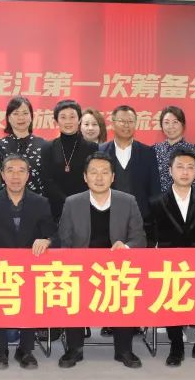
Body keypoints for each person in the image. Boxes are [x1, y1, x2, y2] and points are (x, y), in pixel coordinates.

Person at [56, 153, 147, 369]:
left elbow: (140, 238)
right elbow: (64, 240)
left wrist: (125, 247)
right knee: (71, 289)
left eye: (105, 172)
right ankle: (74, 349)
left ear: (113, 177)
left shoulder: (128, 201)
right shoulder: (72, 203)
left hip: (117, 269)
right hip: (81, 269)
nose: (99, 178)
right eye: (94, 172)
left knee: (125, 288)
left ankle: (124, 350)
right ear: (85, 177)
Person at [0, 154, 57, 369]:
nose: (15, 176)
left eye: (21, 171)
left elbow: (54, 235)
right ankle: (0, 351)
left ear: (28, 175)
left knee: (32, 300)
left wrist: (46, 240)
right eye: (10, 170)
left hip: (31, 269)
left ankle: (25, 350)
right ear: (2, 175)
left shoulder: (40, 203)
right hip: (0, 270)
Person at [151, 146, 195, 367]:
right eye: (180, 167)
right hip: (169, 266)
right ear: (170, 170)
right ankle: (176, 347)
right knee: (172, 298)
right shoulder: (156, 203)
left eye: (190, 167)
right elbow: (149, 235)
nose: (185, 172)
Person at [99, 104, 161, 243]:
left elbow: (155, 189)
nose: (126, 125)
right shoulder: (100, 151)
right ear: (113, 123)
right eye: (122, 121)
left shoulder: (148, 152)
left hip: (140, 222)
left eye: (130, 121)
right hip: (106, 220)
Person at [41, 99, 98, 221]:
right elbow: (47, 180)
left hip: (83, 208)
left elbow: (92, 178)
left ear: (79, 120)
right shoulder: (47, 147)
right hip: (55, 210)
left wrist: (76, 202)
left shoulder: (92, 148)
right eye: (63, 117)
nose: (68, 121)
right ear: (56, 121)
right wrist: (66, 201)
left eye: (72, 117)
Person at [0, 96, 48, 195]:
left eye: (25, 113)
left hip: (38, 200)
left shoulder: (43, 145)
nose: (21, 117)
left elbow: (48, 179)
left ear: (31, 117)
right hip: (7, 200)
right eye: (16, 113)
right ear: (8, 118)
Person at [153, 105, 195, 195]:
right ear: (161, 126)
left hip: (185, 201)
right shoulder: (154, 150)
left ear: (183, 125)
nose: (171, 126)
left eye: (175, 122)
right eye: (166, 122)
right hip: (158, 201)